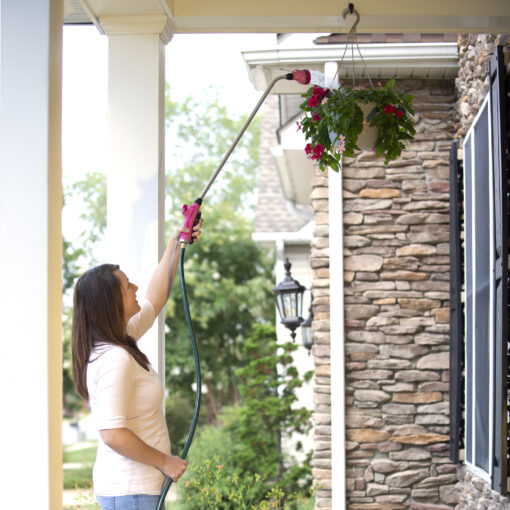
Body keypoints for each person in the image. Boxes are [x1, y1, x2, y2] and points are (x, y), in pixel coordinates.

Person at [71, 220, 203, 510]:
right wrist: (165, 462)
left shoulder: (120, 339)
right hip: (131, 491)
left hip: (137, 490)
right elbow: (112, 434)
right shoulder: (114, 357)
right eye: (127, 285)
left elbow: (155, 298)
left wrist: (175, 242)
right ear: (110, 301)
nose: (135, 288)